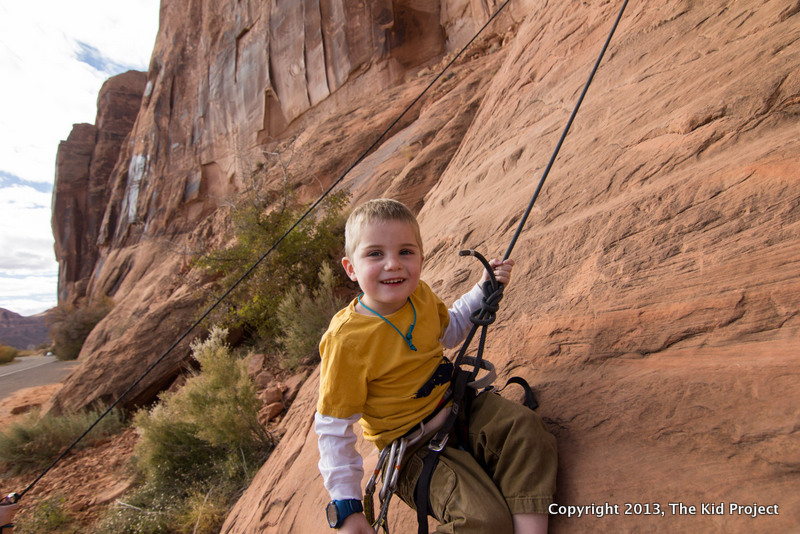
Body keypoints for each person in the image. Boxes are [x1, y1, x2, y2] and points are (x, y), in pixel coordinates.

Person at [315, 198, 557, 533]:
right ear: (351, 268)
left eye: (406, 252)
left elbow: (451, 328)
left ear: (421, 259)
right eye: (375, 254)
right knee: (483, 520)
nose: (393, 264)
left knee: (526, 430)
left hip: (458, 407)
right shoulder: (346, 340)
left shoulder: (421, 297)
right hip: (411, 450)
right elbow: (333, 425)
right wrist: (346, 505)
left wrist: (484, 290)